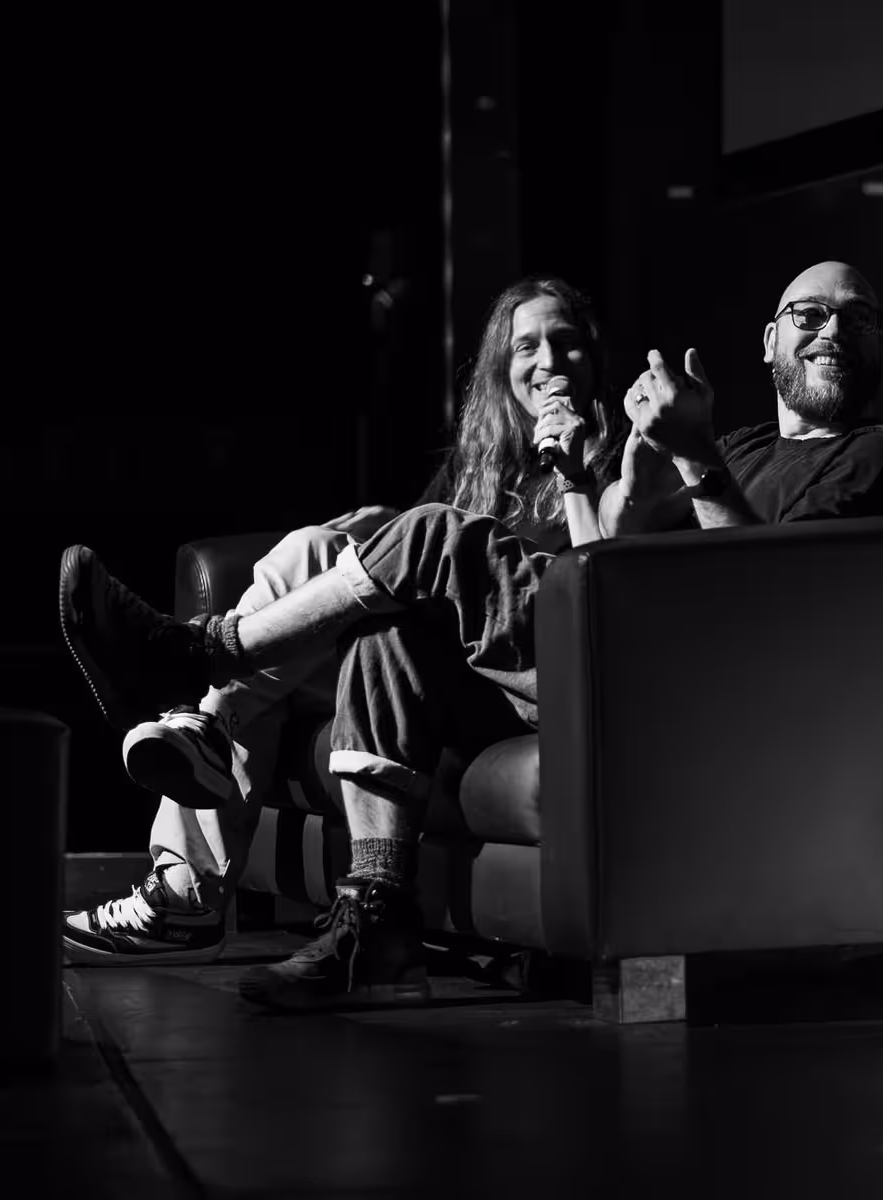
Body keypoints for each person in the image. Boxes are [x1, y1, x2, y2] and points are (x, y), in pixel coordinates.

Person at [56, 260, 883, 1009]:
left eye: (857, 317)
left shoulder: (872, 456)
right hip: (580, 655)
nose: (832, 329)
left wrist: (645, 466)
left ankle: (200, 657)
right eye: (809, 314)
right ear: (770, 342)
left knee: (435, 534)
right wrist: (643, 466)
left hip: (666, 686)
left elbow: (776, 612)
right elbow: (616, 556)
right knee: (383, 631)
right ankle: (377, 925)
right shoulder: (736, 446)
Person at [61, 274, 622, 966]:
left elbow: (608, 586)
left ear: (595, 360)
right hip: (420, 666)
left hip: (518, 678)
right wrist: (375, 530)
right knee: (310, 548)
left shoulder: (624, 459)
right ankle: (200, 755)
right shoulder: (481, 475)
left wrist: (573, 475)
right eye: (527, 347)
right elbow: (411, 567)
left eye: (567, 344)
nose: (549, 363)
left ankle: (195, 685)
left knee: (314, 610)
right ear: (501, 373)